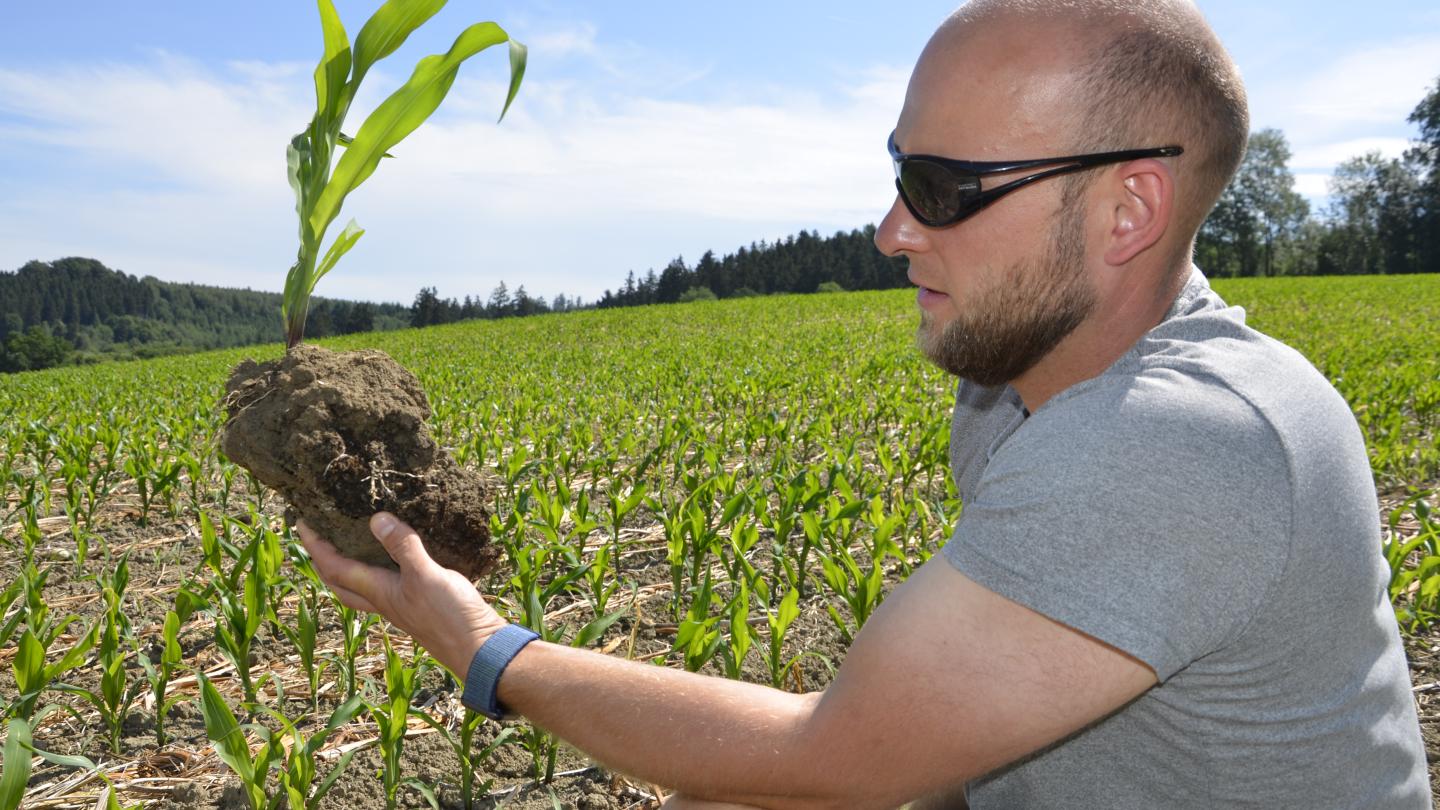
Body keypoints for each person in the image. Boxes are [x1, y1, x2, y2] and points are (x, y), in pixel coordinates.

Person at [298, 0, 1432, 807]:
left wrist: (486, 649)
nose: (894, 229)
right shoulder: (1013, 391)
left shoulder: (1185, 436)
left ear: (1129, 210)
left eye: (944, 189)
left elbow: (828, 755)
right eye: (900, 172)